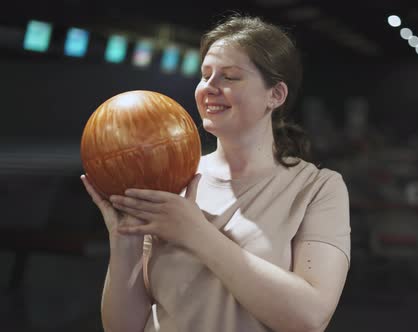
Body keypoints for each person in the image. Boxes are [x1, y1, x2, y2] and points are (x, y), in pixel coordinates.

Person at [81, 14, 350, 332]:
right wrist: (123, 241)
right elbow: (123, 328)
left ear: (275, 95)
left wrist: (195, 232)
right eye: (205, 75)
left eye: (230, 77)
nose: (209, 88)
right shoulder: (169, 179)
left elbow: (309, 318)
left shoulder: (317, 188)